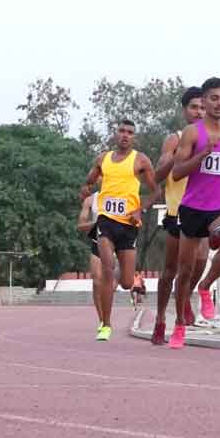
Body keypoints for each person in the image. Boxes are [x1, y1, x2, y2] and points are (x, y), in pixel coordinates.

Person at [168, 77, 220, 350]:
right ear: (206, 101)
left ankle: (206, 286)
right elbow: (177, 172)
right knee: (185, 270)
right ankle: (179, 324)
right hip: (193, 208)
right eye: (214, 98)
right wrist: (203, 154)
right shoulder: (192, 133)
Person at [81, 119, 159, 341]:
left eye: (130, 132)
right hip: (106, 221)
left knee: (125, 283)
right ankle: (105, 324)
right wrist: (85, 190)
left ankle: (118, 272)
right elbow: (88, 182)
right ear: (115, 134)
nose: (125, 135)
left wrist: (140, 210)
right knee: (106, 269)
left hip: (129, 225)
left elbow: (156, 192)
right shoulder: (102, 159)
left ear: (134, 137)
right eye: (122, 131)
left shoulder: (141, 160)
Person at [150, 87, 204, 344]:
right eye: (194, 107)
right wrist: (177, 155)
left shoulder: (214, 138)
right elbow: (158, 176)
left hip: (203, 209)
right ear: (184, 111)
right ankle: (161, 318)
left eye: (203, 107)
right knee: (170, 270)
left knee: (199, 261)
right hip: (177, 211)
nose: (199, 112)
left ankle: (185, 297)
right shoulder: (174, 139)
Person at [76, 192, 105, 331]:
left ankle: (106, 315)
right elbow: (80, 225)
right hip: (97, 242)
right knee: (96, 281)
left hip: (118, 243)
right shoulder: (90, 200)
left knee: (122, 283)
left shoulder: (121, 193)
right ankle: (102, 321)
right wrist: (98, 223)